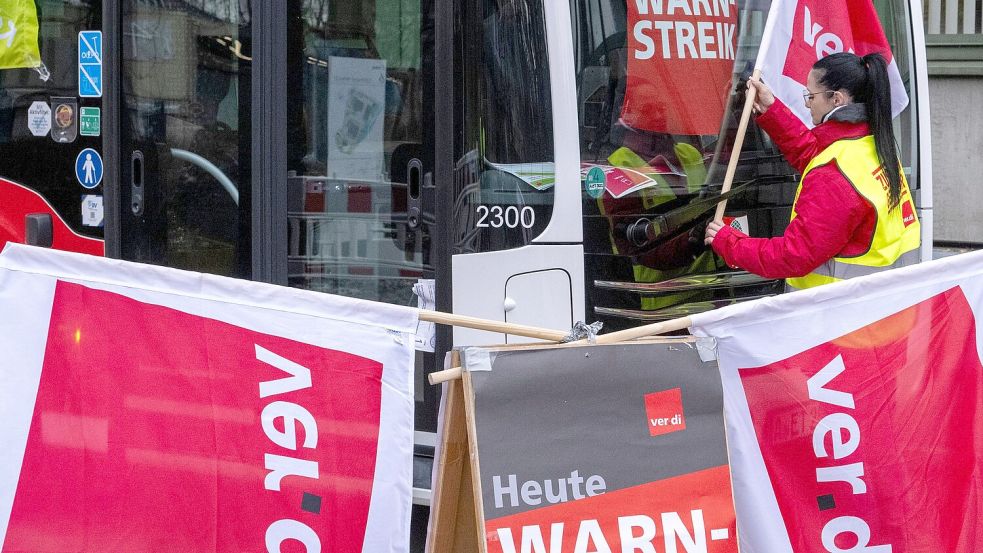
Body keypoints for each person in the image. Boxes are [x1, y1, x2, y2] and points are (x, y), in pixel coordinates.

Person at [704, 52, 921, 290]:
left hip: (834, 316)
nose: (807, 103)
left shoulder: (833, 174)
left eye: (811, 96)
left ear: (836, 99)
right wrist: (772, 110)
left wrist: (730, 243)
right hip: (881, 309)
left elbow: (793, 255)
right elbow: (814, 154)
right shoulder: (873, 144)